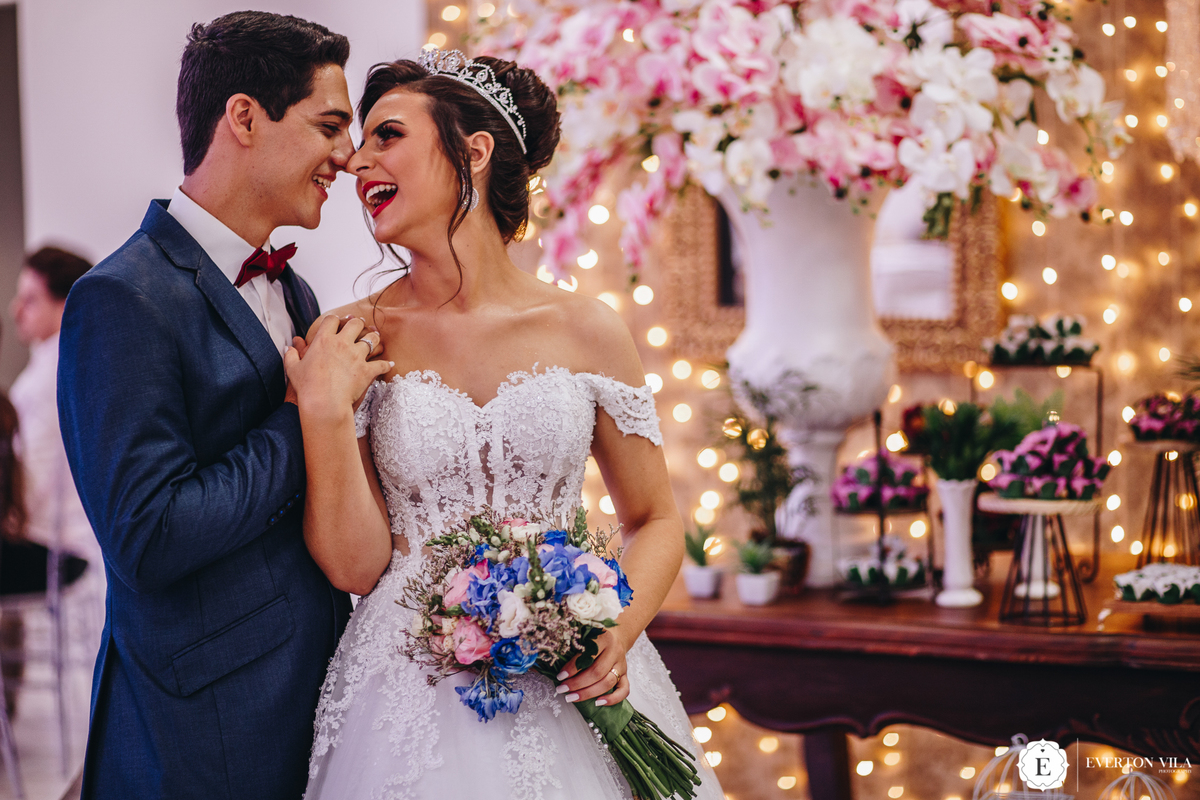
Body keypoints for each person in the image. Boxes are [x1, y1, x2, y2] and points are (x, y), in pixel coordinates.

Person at [290, 51, 723, 799]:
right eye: (361, 141)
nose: (359, 161)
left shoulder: (587, 329)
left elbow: (655, 518)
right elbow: (354, 567)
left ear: (475, 152)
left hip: (575, 673)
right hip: (409, 688)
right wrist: (325, 414)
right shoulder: (351, 337)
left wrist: (610, 634)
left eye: (387, 135)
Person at [56, 12, 385, 799]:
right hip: (199, 731)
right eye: (329, 125)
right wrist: (307, 410)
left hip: (314, 700)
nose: (347, 155)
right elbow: (150, 536)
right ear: (244, 116)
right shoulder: (120, 299)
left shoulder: (294, 288)